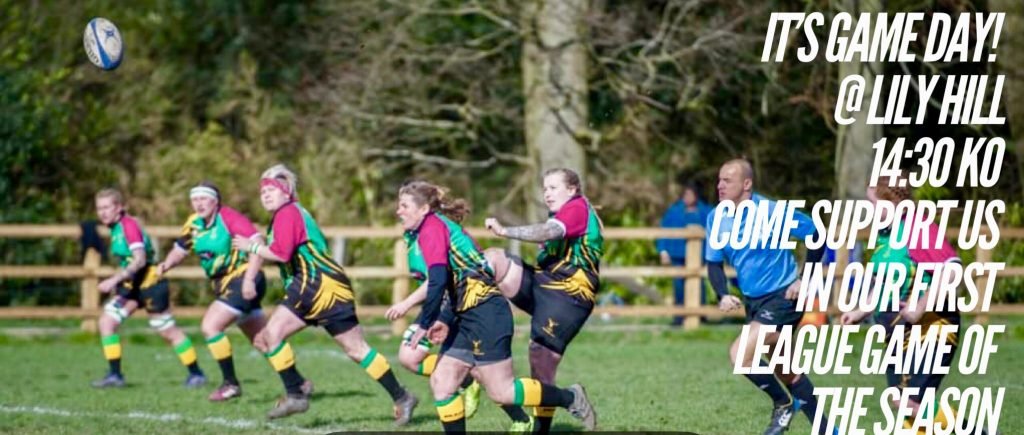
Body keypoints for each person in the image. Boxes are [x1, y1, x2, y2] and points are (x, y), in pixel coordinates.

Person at [398, 180, 596, 433]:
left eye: (404, 205)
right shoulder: (431, 227)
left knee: (503, 393)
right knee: (442, 382)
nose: (398, 211)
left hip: (485, 313)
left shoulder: (432, 228)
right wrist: (444, 319)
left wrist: (423, 325)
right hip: (466, 313)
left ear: (424, 208)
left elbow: (437, 281)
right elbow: (450, 281)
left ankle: (570, 397)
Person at [230, 164, 418, 422]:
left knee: (281, 337)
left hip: (320, 285)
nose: (266, 195)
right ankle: (399, 397)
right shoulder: (285, 216)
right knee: (276, 338)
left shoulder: (288, 213)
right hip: (315, 286)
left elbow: (281, 253)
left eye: (272, 189)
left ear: (287, 193)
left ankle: (298, 394)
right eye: (263, 191)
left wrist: (252, 246)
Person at [703, 159, 830, 435]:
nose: (720, 185)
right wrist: (722, 294)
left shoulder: (772, 211)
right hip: (755, 302)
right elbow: (713, 263)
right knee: (786, 371)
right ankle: (829, 430)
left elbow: (817, 236)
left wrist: (804, 280)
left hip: (784, 297)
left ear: (746, 184)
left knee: (739, 356)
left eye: (728, 180)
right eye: (719, 180)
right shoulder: (716, 217)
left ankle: (784, 404)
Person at [157, 181, 311, 402]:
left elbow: (258, 242)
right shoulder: (194, 223)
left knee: (210, 326)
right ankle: (299, 383)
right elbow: (181, 249)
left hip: (244, 279)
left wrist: (248, 279)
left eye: (203, 199)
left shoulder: (229, 218)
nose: (198, 204)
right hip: (225, 285)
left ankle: (230, 384)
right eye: (194, 199)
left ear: (215, 200)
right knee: (263, 340)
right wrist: (166, 264)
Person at [386, 213, 533, 432]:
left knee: (483, 374)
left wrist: (406, 303)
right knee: (409, 356)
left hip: (458, 303)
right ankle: (467, 380)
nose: (400, 211)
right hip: (440, 303)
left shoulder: (442, 231)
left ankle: (521, 417)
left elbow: (442, 277)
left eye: (405, 205)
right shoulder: (412, 235)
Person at [483, 168, 603, 433]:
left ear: (572, 190)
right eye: (545, 188)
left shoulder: (576, 208)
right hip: (544, 283)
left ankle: (553, 417)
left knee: (541, 367)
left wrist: (506, 231)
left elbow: (549, 232)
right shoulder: (561, 211)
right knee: (494, 260)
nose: (546, 194)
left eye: (553, 187)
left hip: (569, 297)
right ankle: (476, 328)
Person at [840, 174, 961, 432]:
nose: (870, 211)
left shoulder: (917, 228)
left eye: (874, 204)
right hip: (901, 332)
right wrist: (860, 311)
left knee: (911, 402)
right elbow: (886, 284)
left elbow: (951, 269)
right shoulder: (887, 236)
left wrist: (919, 307)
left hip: (934, 326)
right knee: (901, 400)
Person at [90, 188, 207, 389]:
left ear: (119, 208)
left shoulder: (129, 226)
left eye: (107, 207)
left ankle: (196, 373)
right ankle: (115, 375)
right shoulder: (116, 227)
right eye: (99, 208)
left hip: (151, 285)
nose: (103, 212)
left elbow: (139, 259)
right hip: (132, 287)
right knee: (107, 322)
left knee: (168, 332)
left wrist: (114, 280)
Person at [655, 177, 712, 326]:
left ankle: (700, 316)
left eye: (691, 194)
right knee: (679, 285)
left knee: (699, 285)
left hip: (700, 255)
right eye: (686, 194)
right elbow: (664, 231)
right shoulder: (674, 212)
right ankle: (680, 317)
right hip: (677, 254)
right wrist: (663, 251)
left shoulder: (706, 211)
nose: (688, 198)